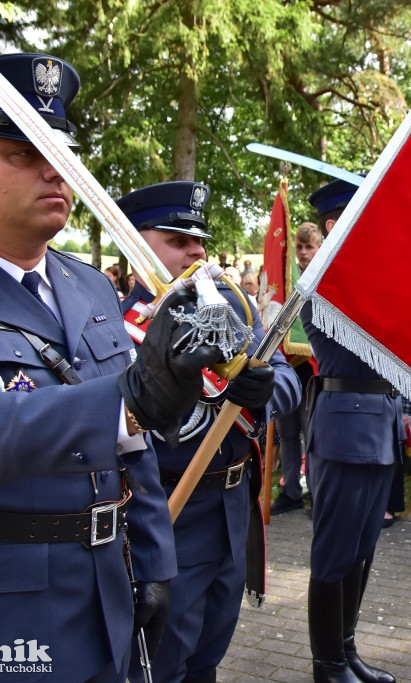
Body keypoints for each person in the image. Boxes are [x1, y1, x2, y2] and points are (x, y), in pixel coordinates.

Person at [0, 53, 219, 681]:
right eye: (22, 151)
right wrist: (129, 400)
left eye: (57, 150)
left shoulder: (87, 288)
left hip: (103, 590)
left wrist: (156, 562)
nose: (53, 169)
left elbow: (130, 452)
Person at [117, 181, 300, 683]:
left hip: (231, 508)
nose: (196, 250)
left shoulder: (231, 306)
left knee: (207, 657)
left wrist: (263, 393)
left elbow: (285, 378)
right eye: (177, 240)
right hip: (166, 514)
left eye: (198, 240)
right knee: (162, 664)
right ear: (133, 244)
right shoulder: (116, 324)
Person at [301, 179, 399, 683]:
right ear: (335, 225)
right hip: (345, 423)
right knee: (335, 550)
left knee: (362, 549)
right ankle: (328, 665)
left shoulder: (375, 273)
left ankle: (347, 650)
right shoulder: (323, 279)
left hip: (379, 419)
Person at [270, 222, 322, 516]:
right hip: (285, 364)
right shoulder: (286, 277)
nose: (303, 253)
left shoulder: (324, 279)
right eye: (299, 247)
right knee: (288, 434)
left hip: (311, 367)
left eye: (309, 247)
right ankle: (291, 490)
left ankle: (316, 492)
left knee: (310, 433)